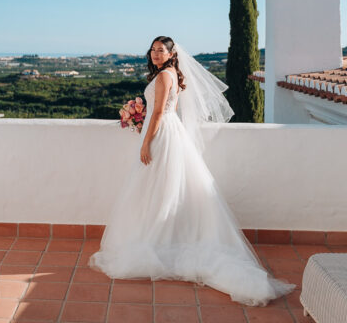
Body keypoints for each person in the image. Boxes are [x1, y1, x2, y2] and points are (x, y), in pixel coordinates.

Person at [89, 35, 295, 306]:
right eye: (152, 50)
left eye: (160, 50)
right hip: (170, 133)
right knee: (165, 189)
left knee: (156, 188)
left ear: (171, 54)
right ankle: (162, 240)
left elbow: (160, 112)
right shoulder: (172, 74)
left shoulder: (164, 76)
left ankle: (156, 243)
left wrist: (147, 141)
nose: (155, 54)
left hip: (162, 134)